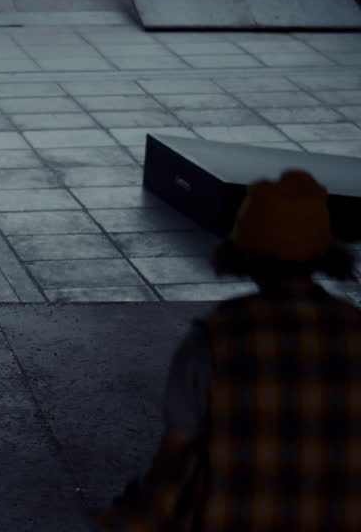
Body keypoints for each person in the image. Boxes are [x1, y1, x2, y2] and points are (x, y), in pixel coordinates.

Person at [97, 169, 361, 531]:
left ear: (243, 251)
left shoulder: (215, 339)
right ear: (324, 252)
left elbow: (177, 450)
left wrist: (136, 512)